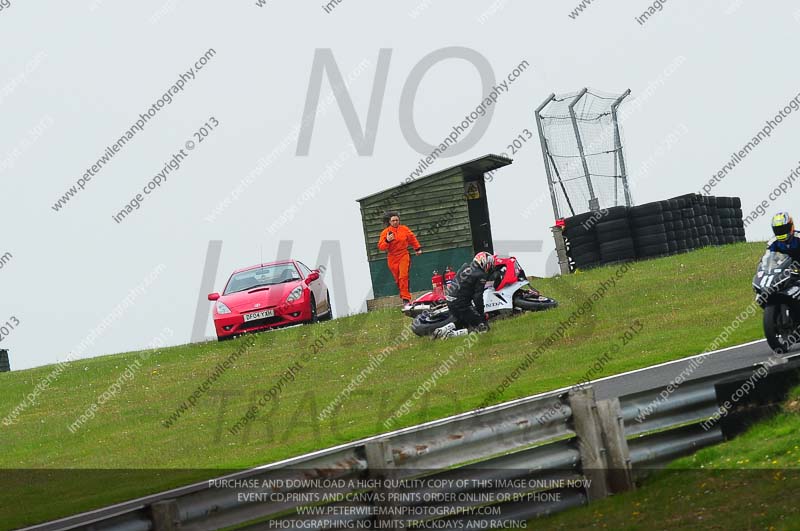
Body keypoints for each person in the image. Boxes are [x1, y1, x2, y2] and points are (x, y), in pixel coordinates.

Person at [432, 251, 496, 339]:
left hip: (450, 301)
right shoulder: (480, 275)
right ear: (484, 262)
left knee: (464, 321)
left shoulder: (465, 267)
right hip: (461, 304)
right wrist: (481, 313)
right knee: (484, 328)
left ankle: (443, 329)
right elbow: (478, 297)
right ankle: (452, 335)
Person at [378, 212, 422, 304]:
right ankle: (404, 295)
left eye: (396, 220)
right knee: (398, 279)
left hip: (403, 254)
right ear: (389, 222)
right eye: (393, 220)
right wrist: (387, 240)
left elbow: (412, 238)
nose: (395, 222)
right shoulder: (385, 232)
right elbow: (381, 247)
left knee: (403, 276)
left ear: (399, 221)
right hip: (392, 257)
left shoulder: (404, 229)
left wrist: (417, 248)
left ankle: (406, 299)